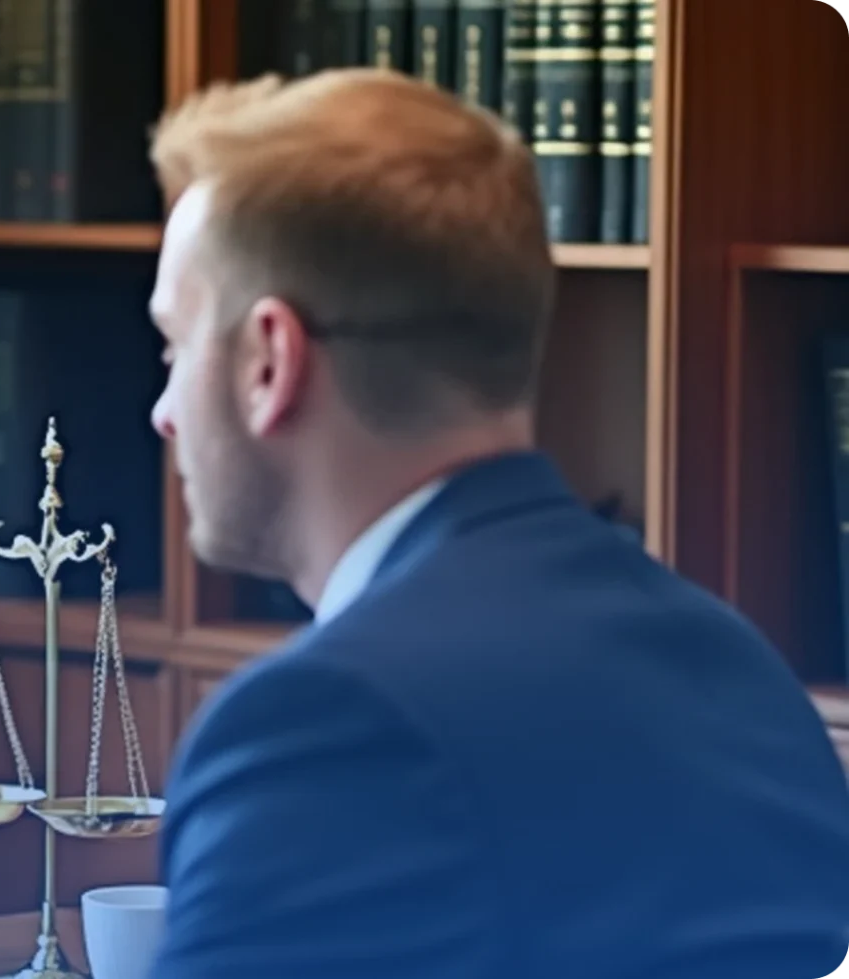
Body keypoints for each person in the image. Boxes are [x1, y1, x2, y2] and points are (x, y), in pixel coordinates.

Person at [141, 67, 849, 977]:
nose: (163, 408)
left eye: (175, 343)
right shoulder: (743, 673)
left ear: (269, 362)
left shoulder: (322, 729)